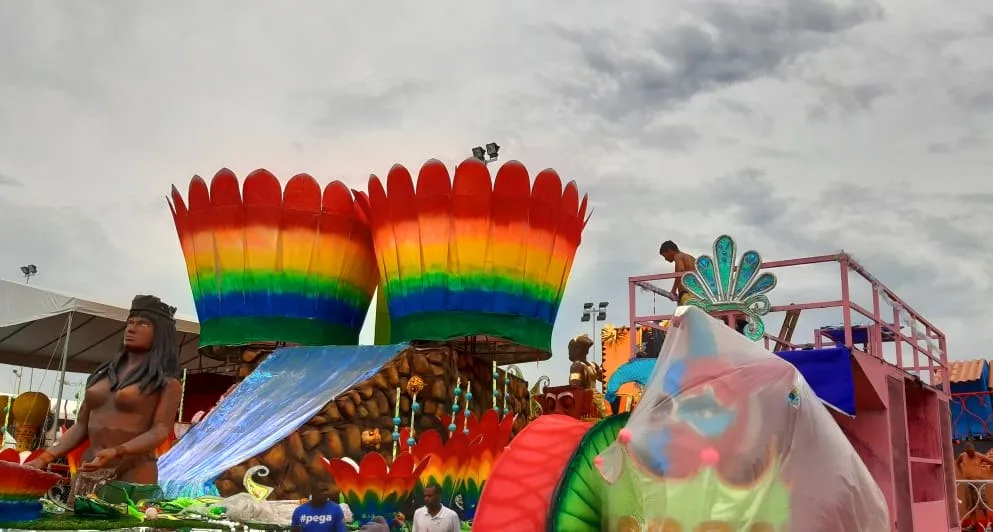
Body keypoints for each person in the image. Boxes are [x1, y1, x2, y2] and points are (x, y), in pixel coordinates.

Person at [25, 295, 182, 493]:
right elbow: (81, 424)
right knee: (79, 521)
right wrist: (45, 457)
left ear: (160, 333)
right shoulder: (103, 375)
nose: (131, 328)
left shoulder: (167, 382)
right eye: (129, 323)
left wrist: (118, 450)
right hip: (90, 464)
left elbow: (160, 430)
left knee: (125, 524)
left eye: (142, 324)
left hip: (133, 469)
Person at [958, 442, 993, 528]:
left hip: (979, 482)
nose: (970, 453)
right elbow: (958, 463)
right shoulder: (962, 456)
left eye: (971, 452)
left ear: (974, 450)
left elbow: (991, 462)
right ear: (965, 451)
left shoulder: (979, 455)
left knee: (983, 503)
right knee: (971, 505)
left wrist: (987, 471)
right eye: (968, 452)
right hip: (967, 482)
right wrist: (962, 471)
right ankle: (973, 524)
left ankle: (988, 524)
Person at [659, 240, 695, 305]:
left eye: (665, 256)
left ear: (670, 251)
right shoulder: (691, 258)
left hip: (687, 293)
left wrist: (673, 290)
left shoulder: (678, 256)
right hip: (698, 293)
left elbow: (680, 272)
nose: (665, 259)